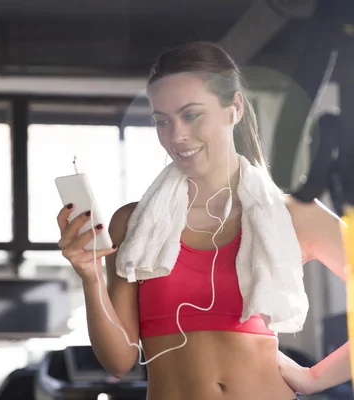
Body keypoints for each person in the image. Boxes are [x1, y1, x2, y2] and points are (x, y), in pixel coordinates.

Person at [56, 41, 350, 400]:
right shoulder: (133, 224)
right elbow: (120, 360)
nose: (176, 135)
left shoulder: (293, 215)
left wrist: (314, 377)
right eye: (162, 121)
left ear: (234, 108)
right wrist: (90, 276)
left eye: (191, 114)